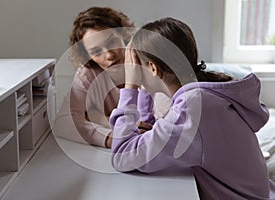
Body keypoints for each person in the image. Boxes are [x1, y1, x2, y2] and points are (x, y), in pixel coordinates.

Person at [109, 17, 275, 199]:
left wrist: (130, 86)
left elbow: (123, 156)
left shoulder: (191, 109)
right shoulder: (205, 97)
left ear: (153, 68)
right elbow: (152, 131)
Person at [68, 7, 134, 148]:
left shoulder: (148, 62)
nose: (109, 55)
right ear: (88, 56)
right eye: (96, 51)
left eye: (111, 42)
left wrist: (98, 118)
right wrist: (112, 138)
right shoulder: (88, 74)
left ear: (123, 35)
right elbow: (65, 122)